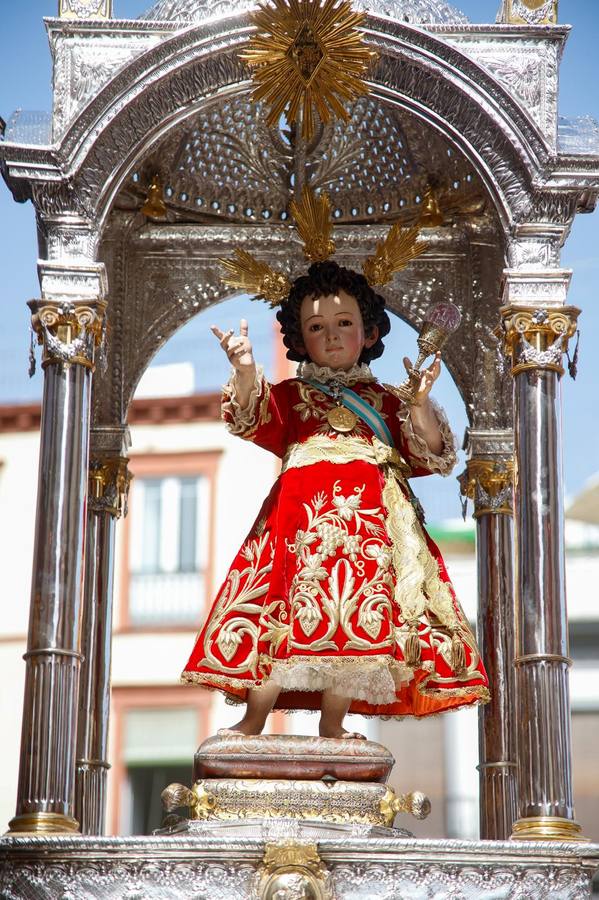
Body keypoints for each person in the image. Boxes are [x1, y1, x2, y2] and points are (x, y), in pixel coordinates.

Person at [181, 260, 489, 739]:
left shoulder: (390, 400)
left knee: (356, 622)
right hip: (299, 525)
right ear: (301, 339)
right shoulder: (291, 395)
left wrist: (422, 403)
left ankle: (333, 722)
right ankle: (255, 718)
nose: (331, 335)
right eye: (317, 326)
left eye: (344, 323)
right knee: (278, 614)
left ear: (368, 333)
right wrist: (244, 369)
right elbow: (250, 414)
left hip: (369, 526)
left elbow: (429, 453)